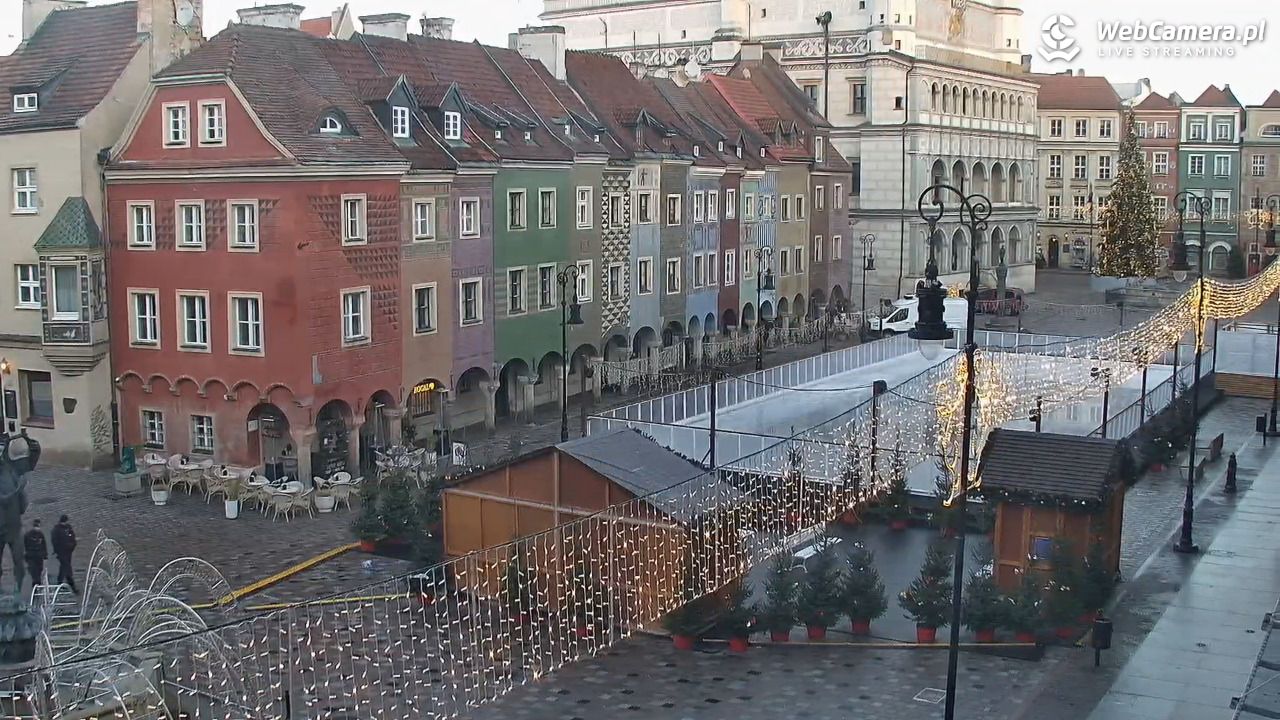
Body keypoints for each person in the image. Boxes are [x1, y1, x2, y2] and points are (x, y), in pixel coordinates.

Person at [51, 514, 77, 593]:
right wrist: (57, 551)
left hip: (68, 551)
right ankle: (72, 586)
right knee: (67, 567)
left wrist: (73, 545)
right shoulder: (56, 530)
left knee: (63, 567)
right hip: (61, 552)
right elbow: (54, 541)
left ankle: (59, 582)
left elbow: (72, 537)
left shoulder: (68, 527)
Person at [23, 518, 47, 590]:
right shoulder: (28, 535)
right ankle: (36, 586)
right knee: (34, 573)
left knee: (39, 571)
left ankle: (36, 586)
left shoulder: (40, 534)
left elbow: (43, 545)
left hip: (38, 556)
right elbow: (25, 546)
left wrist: (45, 556)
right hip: (31, 557)